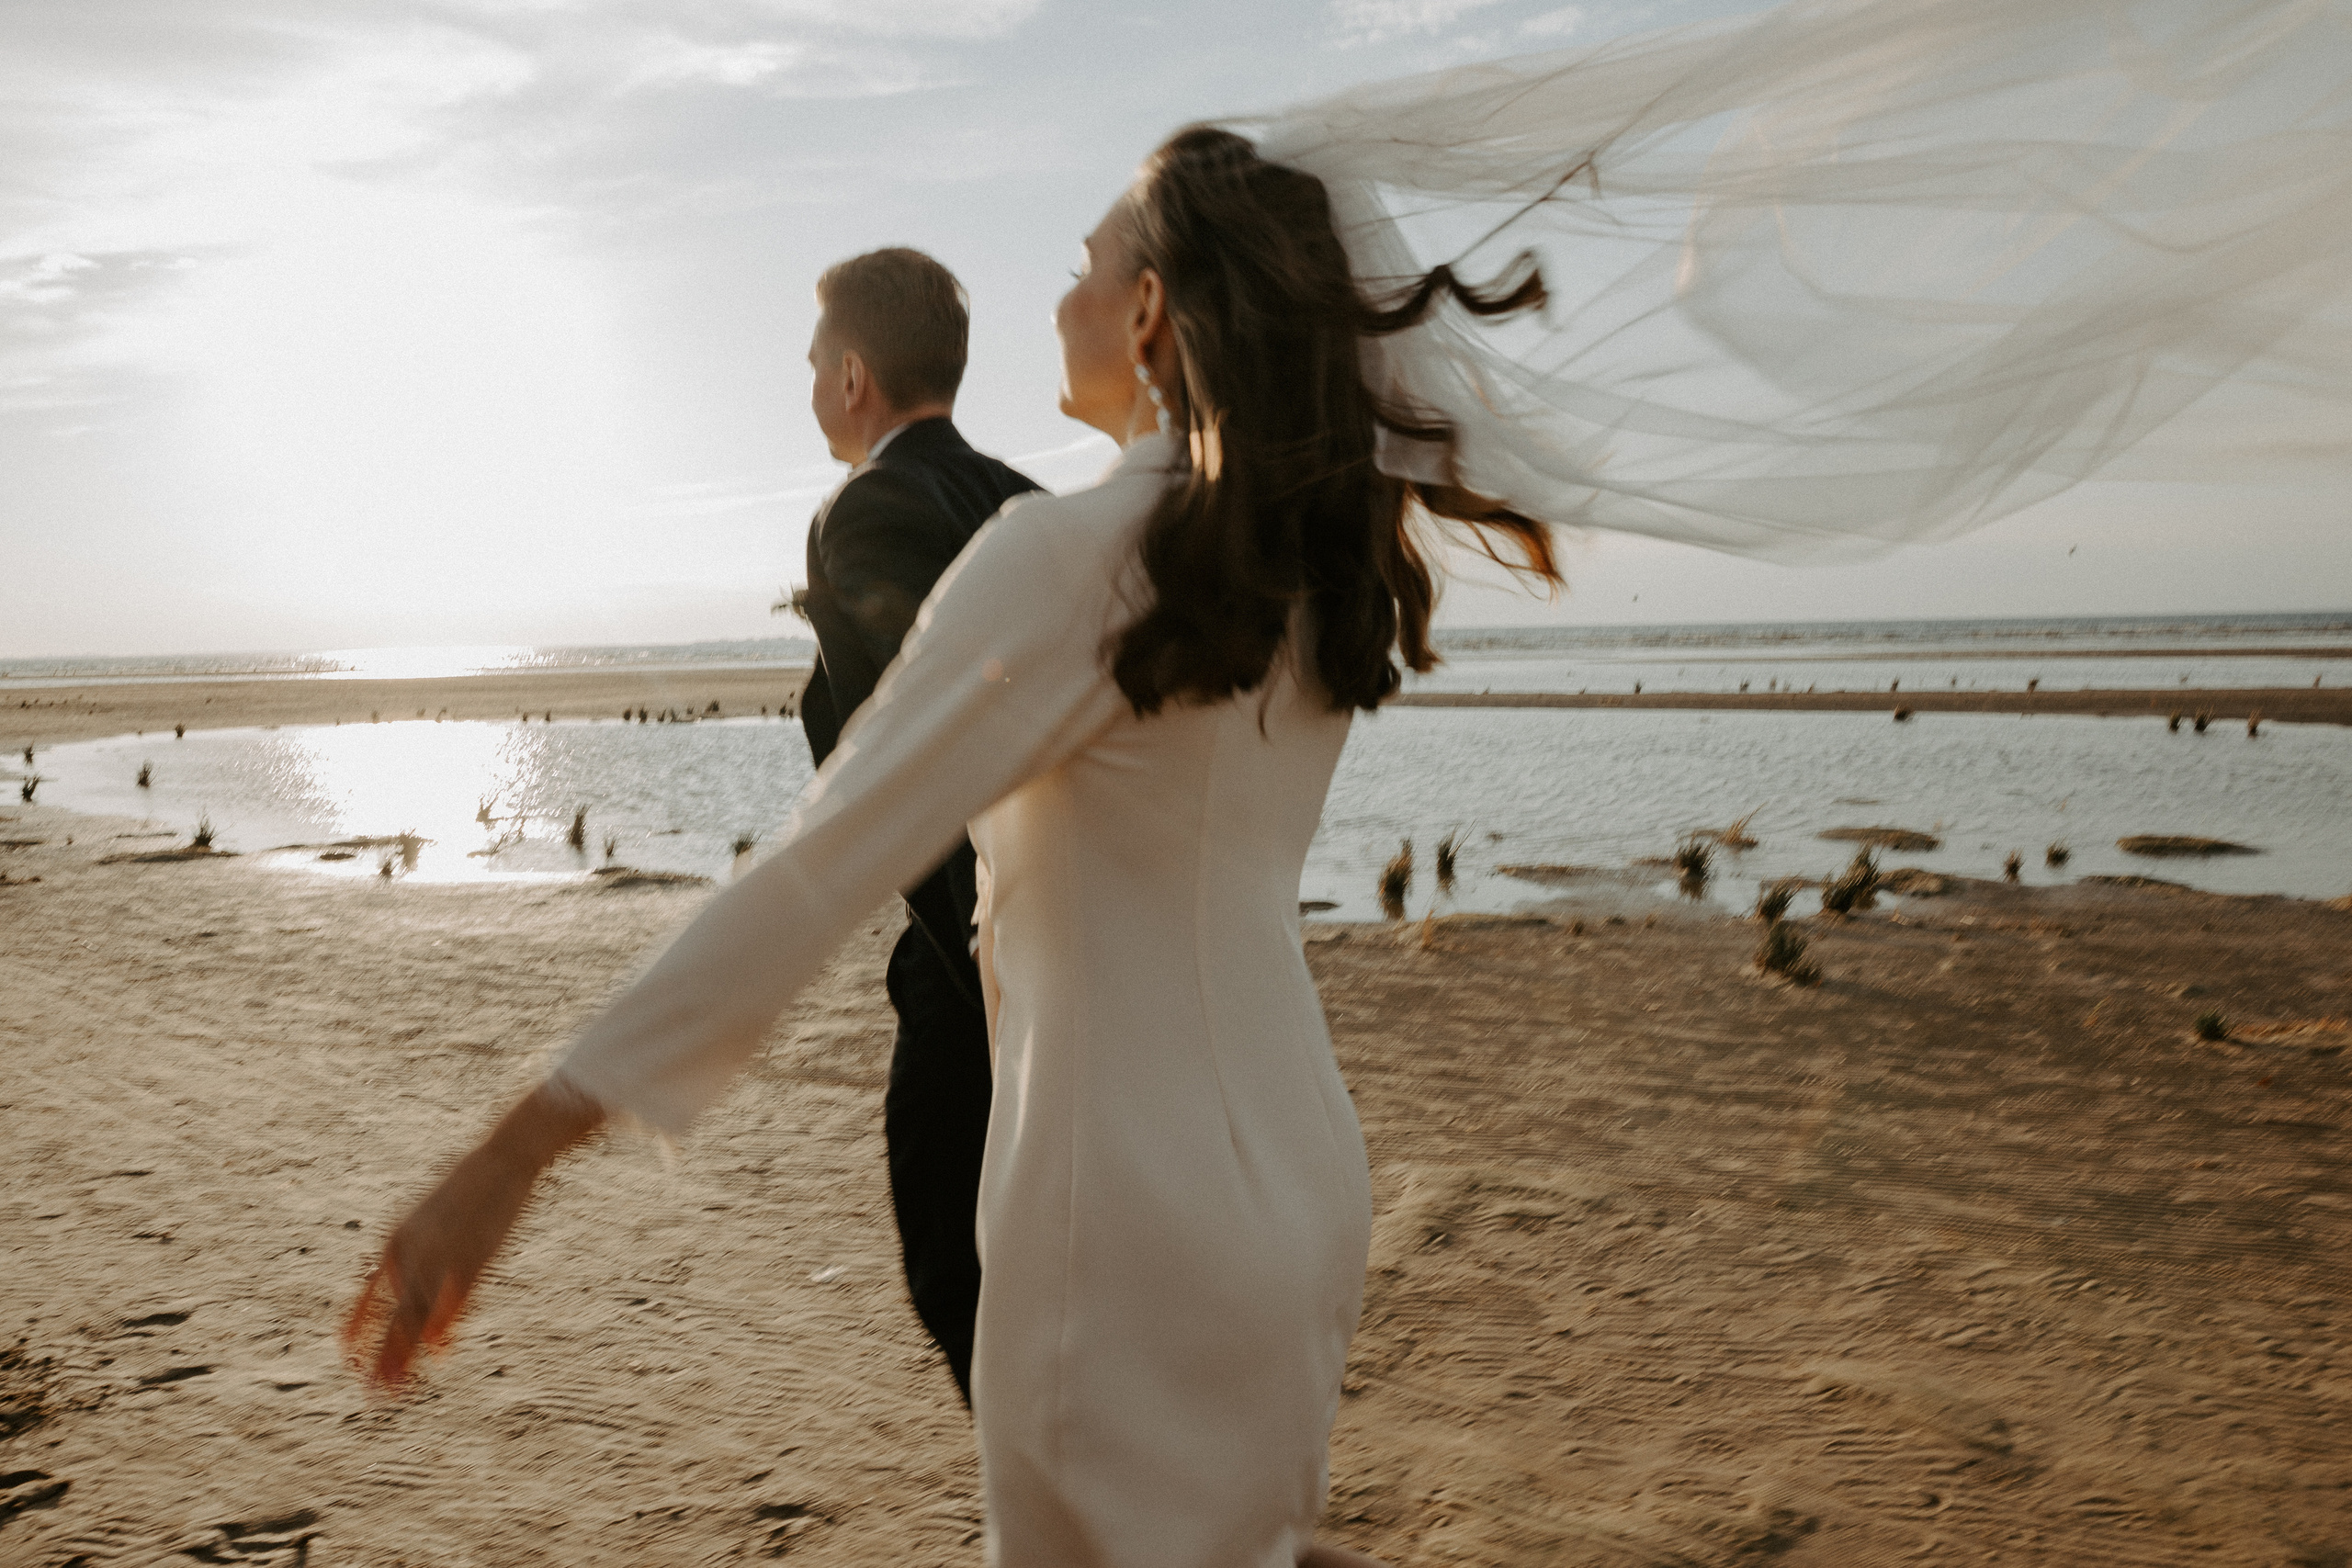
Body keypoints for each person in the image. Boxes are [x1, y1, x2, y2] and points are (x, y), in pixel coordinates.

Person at [345, 127, 1557, 1567]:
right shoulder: (1294, 575)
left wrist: (519, 1145)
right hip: (1299, 1177)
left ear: (1151, 313)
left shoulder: (1073, 558)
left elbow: (819, 866)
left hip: (1120, 1206)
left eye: (1085, 268)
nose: (1058, 300)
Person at [793, 247, 1041, 1404]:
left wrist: (989, 985)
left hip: (977, 952)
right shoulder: (1024, 500)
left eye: (813, 363)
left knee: (956, 1269)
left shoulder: (871, 508)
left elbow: (922, 768)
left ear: (853, 376)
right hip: (1046, 920)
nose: (810, 386)